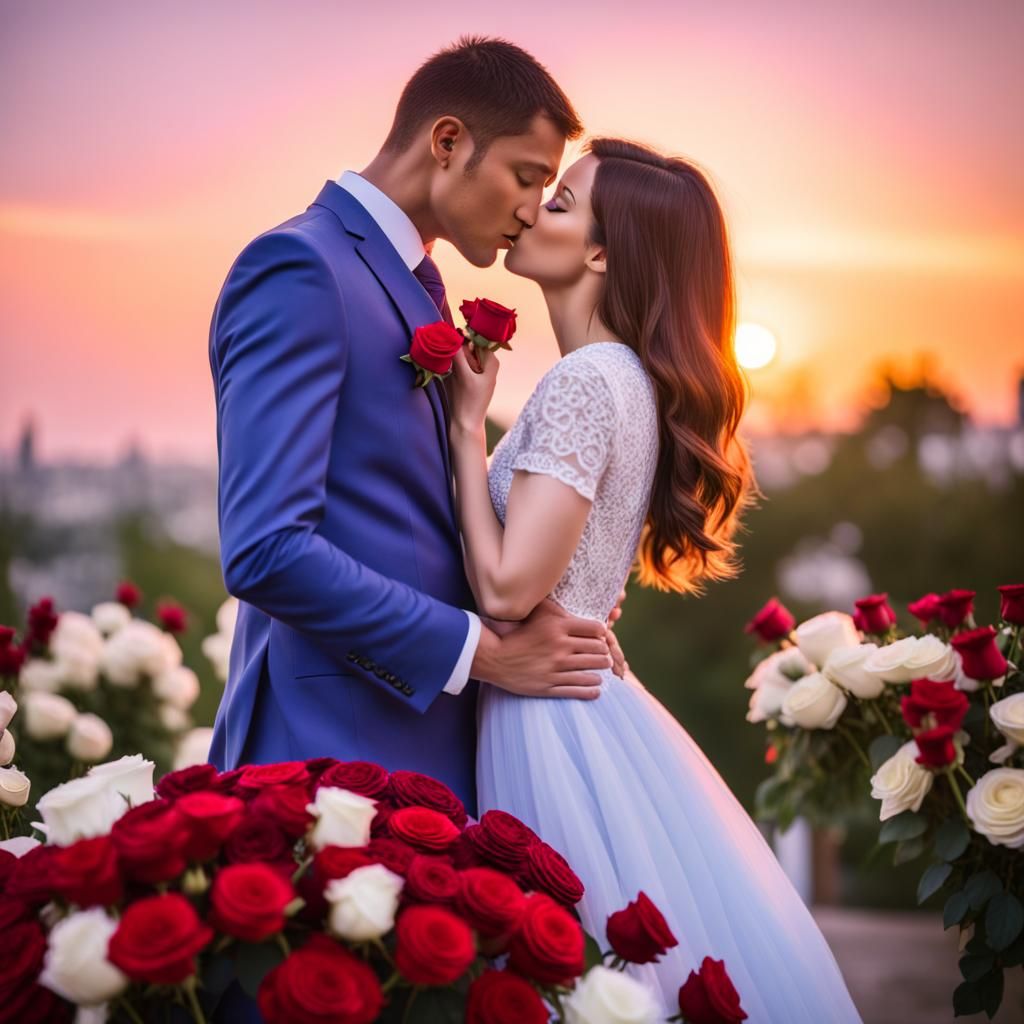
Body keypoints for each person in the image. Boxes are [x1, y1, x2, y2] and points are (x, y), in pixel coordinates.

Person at [450, 138, 864, 1020]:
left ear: (604, 252)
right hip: (578, 696)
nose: (530, 210)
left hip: (545, 713)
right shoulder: (630, 380)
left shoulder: (585, 381)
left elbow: (507, 592)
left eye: (560, 202)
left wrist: (463, 433)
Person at [206, 36, 625, 829]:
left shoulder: (408, 283)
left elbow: (409, 523)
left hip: (420, 757)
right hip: (325, 758)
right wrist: (487, 655)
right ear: (448, 142)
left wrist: (544, 611)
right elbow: (266, 547)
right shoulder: (300, 269)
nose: (532, 209)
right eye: (527, 176)